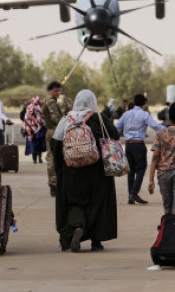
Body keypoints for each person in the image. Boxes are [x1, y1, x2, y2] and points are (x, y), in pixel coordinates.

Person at [51, 89, 119, 252]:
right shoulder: (99, 119)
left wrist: (62, 167)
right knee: (98, 202)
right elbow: (114, 137)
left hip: (72, 171)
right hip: (97, 172)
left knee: (75, 202)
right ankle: (96, 241)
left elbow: (55, 144)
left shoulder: (66, 120)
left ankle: (76, 227)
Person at [116, 94, 165, 205]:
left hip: (128, 145)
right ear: (144, 103)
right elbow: (155, 126)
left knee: (131, 170)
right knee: (141, 169)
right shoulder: (144, 114)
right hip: (138, 144)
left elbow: (116, 127)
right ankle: (134, 192)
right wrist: (169, 129)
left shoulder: (126, 114)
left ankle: (130, 196)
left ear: (134, 102)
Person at [44, 81, 71, 196]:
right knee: (52, 159)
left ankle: (55, 183)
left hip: (54, 131)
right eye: (55, 91)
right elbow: (56, 118)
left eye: (59, 91)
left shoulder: (53, 101)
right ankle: (53, 184)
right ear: (50, 91)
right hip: (54, 132)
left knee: (55, 158)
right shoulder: (51, 102)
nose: (58, 93)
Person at [24, 95, 46, 164]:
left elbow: (26, 118)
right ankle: (39, 157)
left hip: (31, 128)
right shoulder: (41, 107)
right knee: (39, 144)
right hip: (40, 129)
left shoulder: (29, 107)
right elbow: (43, 118)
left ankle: (34, 159)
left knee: (33, 144)